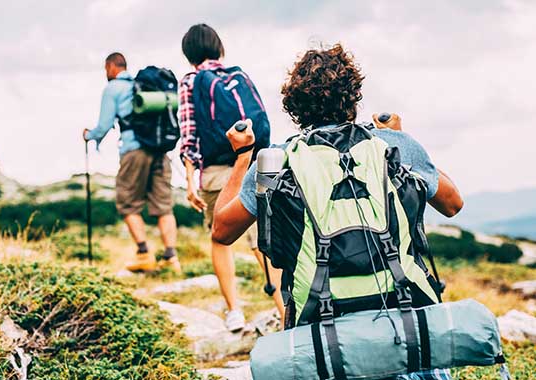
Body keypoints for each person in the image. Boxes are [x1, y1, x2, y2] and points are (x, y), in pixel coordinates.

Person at [212, 44, 462, 380]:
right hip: (407, 330)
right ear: (353, 96)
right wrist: (402, 139)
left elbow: (221, 231)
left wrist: (243, 156)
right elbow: (452, 204)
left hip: (321, 338)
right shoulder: (391, 146)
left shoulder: (277, 161)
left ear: (295, 107)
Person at [178, 24, 285, 332]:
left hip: (215, 172)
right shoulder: (239, 76)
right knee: (261, 242)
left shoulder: (191, 82)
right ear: (218, 48)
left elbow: (189, 135)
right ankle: (285, 311)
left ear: (189, 54)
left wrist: (189, 178)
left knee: (220, 237)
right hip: (252, 162)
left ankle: (234, 311)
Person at [83, 52, 181, 274]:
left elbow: (105, 124)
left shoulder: (113, 89)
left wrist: (90, 136)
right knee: (163, 205)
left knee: (127, 202)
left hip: (134, 150)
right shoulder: (142, 86)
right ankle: (170, 258)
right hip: (159, 150)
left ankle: (144, 254)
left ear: (110, 66)